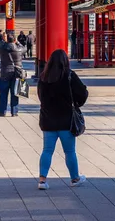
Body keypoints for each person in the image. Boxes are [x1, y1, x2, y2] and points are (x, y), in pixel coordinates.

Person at [36, 49, 88, 190]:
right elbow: (82, 94)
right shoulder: (70, 76)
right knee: (70, 151)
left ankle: (42, 180)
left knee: (47, 150)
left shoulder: (43, 77)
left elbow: (41, 97)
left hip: (48, 119)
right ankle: (74, 178)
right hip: (67, 120)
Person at [0, 31, 25, 117]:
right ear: (14, 40)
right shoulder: (19, 49)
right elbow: (24, 48)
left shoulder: (2, 49)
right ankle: (14, 111)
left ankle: (2, 111)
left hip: (5, 72)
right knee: (15, 92)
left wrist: (5, 42)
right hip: (17, 73)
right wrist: (18, 42)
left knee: (3, 93)